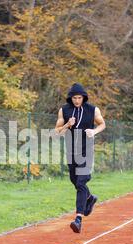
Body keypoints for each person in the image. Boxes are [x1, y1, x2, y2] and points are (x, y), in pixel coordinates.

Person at [55, 83, 106, 233]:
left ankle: (78, 219)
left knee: (82, 181)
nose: (77, 100)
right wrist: (67, 125)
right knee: (75, 181)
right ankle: (89, 198)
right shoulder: (64, 110)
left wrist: (94, 131)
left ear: (84, 97)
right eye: (74, 98)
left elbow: (102, 124)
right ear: (71, 98)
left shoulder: (93, 109)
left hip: (86, 151)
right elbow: (56, 131)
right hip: (71, 152)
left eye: (79, 98)